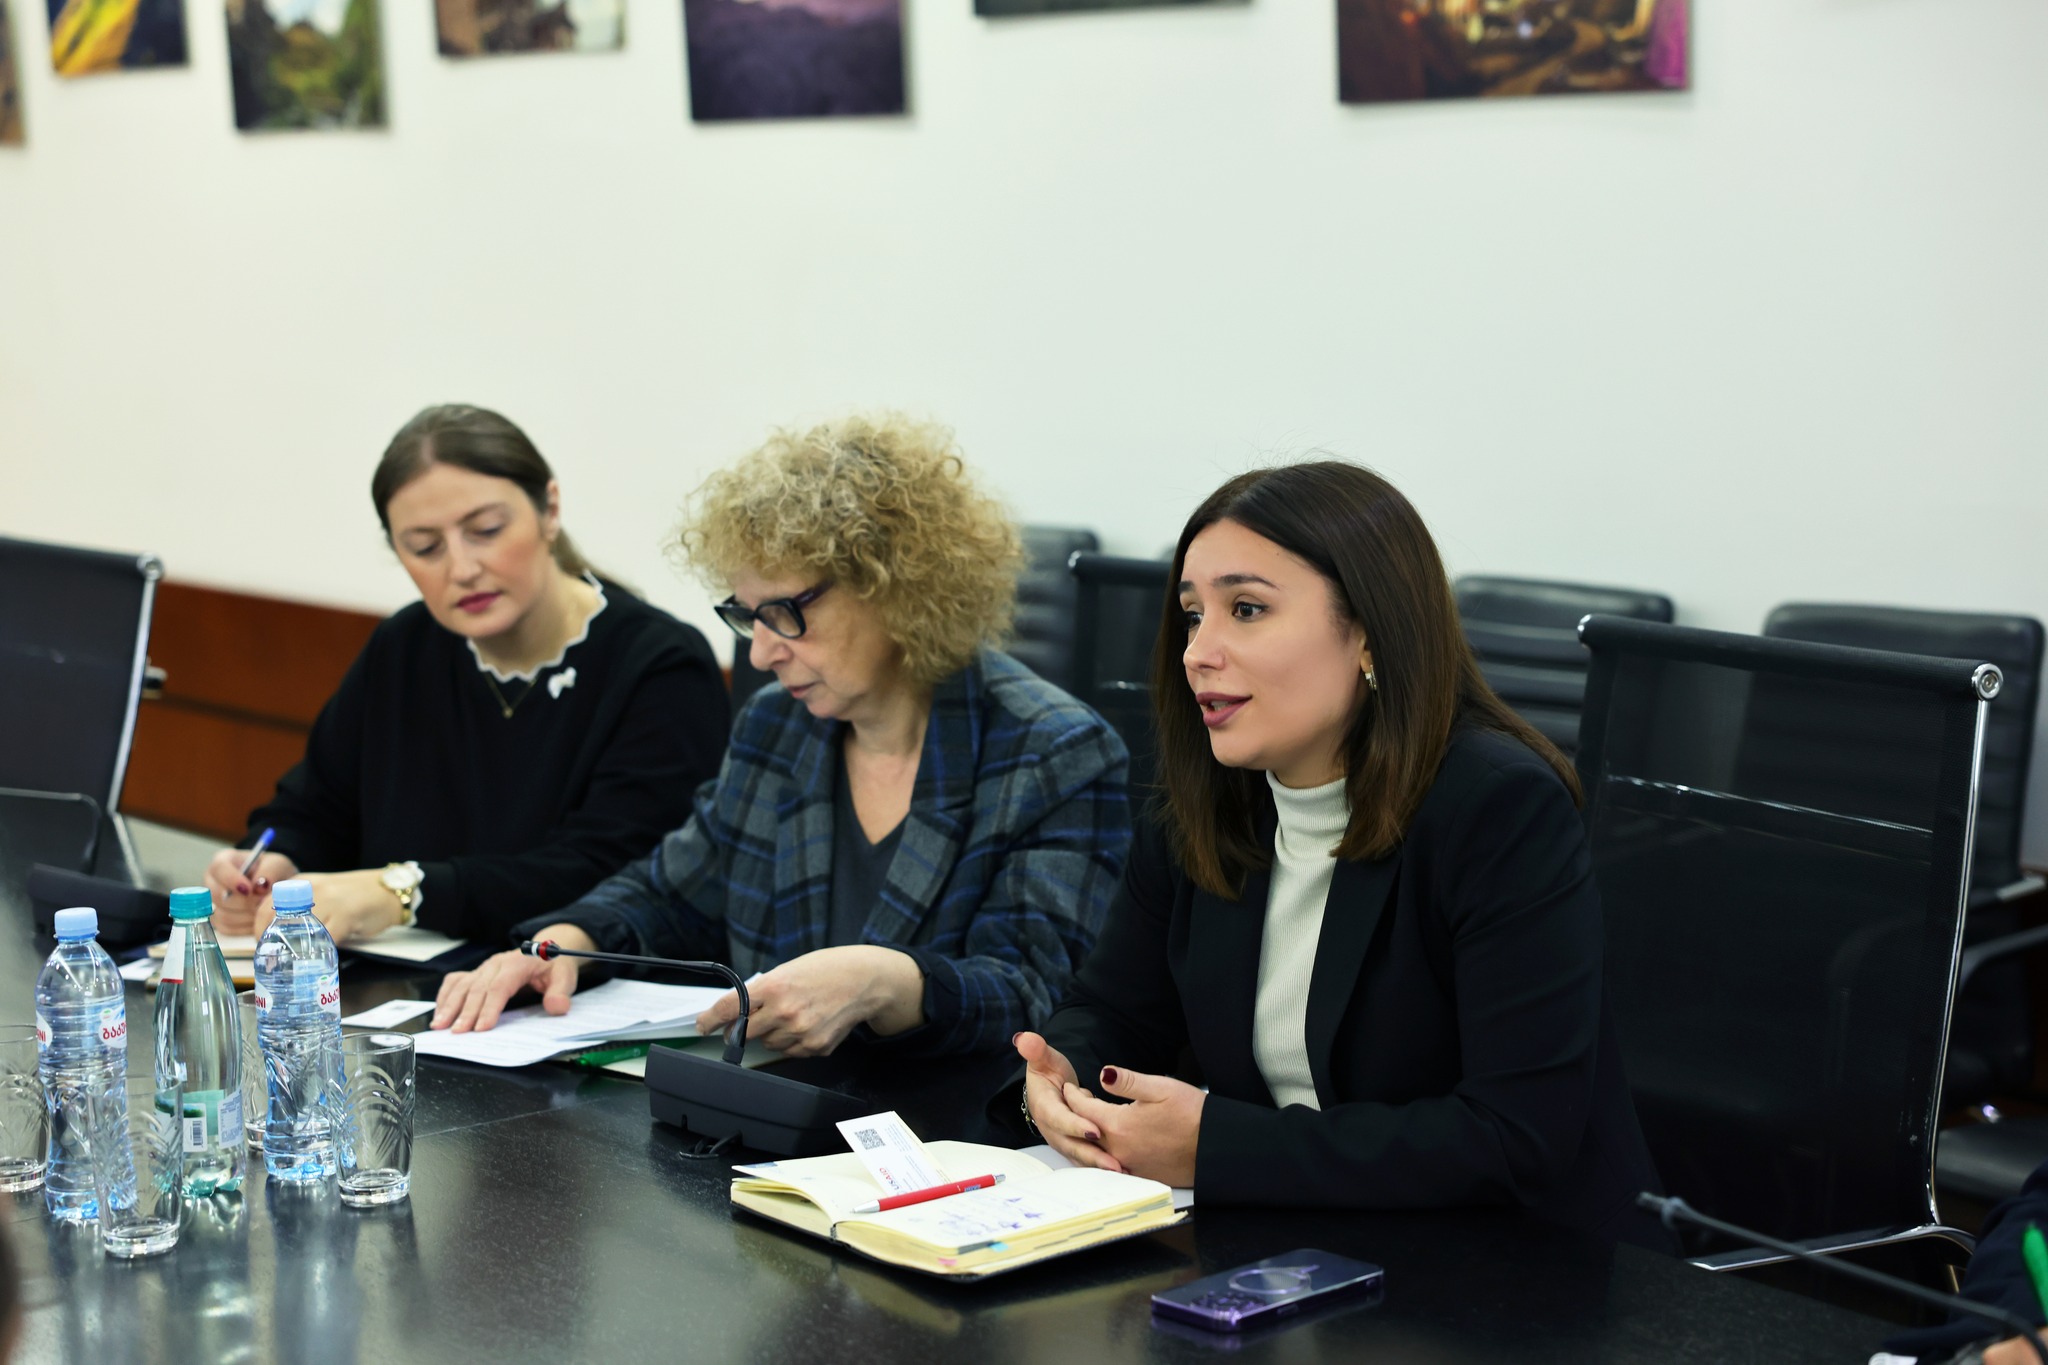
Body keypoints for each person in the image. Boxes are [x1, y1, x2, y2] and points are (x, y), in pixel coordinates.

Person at [1006, 460, 1666, 1246]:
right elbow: (1114, 1009)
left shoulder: (1497, 808)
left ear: (1368, 633)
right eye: (1192, 615)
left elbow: (1515, 1134)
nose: (1197, 652)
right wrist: (1063, 1080)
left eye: (1246, 609)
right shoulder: (1204, 800)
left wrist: (1218, 1146)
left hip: (1515, 1263)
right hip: (1298, 1236)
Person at [431, 413, 1132, 1057]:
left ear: (897, 589)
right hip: (765, 1117)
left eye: (785, 614)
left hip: (948, 1131)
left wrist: (889, 982)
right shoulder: (778, 724)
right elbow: (674, 891)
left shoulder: (1054, 753)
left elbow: (1036, 995)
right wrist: (564, 944)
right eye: (748, 616)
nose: (762, 653)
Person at [203, 404, 730, 945]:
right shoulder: (403, 646)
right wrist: (274, 863)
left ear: (549, 510)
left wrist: (403, 892)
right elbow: (314, 808)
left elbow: (619, 877)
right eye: (425, 547)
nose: (462, 568)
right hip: (399, 979)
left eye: (486, 531)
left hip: (566, 980)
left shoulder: (660, 664)